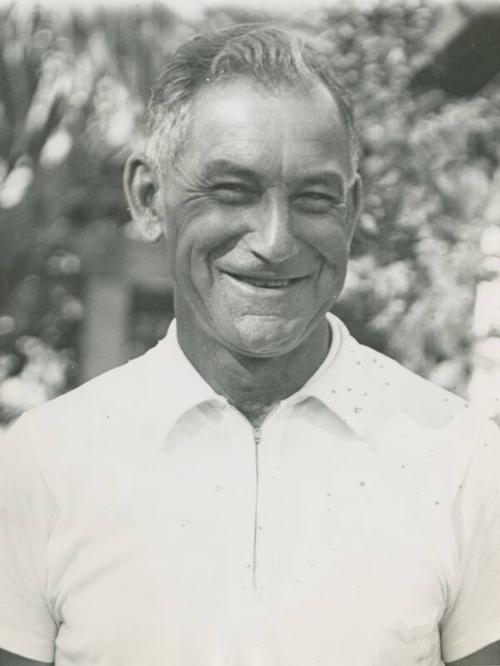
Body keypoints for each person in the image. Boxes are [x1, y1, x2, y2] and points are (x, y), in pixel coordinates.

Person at [0, 23, 499, 666]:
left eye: (314, 198)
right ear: (150, 199)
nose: (275, 240)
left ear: (351, 211)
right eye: (232, 190)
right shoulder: (42, 464)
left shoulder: (461, 461)